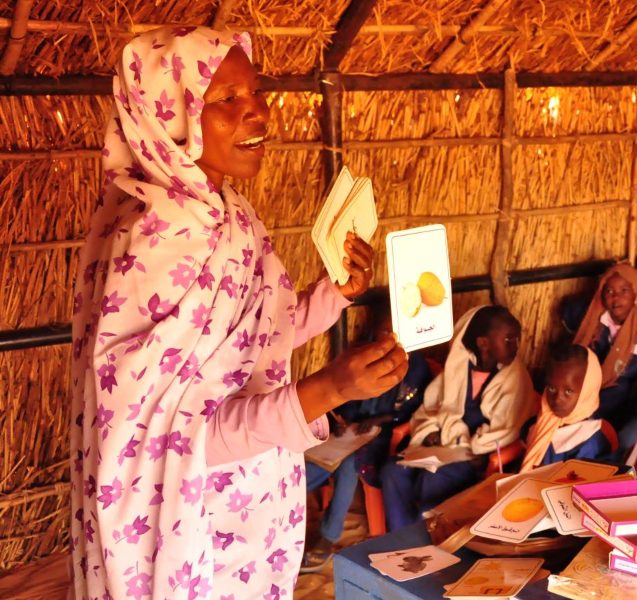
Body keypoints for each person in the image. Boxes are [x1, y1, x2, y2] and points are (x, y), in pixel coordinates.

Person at [69, 27, 408, 598]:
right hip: (183, 532)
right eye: (225, 100)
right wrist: (328, 389)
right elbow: (174, 439)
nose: (257, 113)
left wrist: (335, 295)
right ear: (170, 116)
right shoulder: (160, 241)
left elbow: (255, 342)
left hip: (246, 512)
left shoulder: (230, 218)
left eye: (255, 94)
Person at [379, 306, 536, 530]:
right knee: (392, 471)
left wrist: (479, 453)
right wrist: (432, 431)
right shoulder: (458, 368)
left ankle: (425, 546)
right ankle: (401, 538)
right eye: (509, 339)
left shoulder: (516, 379)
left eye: (516, 339)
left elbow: (509, 429)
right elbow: (432, 409)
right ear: (483, 343)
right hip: (440, 448)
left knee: (432, 478)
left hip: (475, 458)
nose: (516, 346)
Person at [302, 314, 434, 571]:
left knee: (351, 462)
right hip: (351, 431)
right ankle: (287, 525)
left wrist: (381, 418)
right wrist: (340, 418)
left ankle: (328, 538)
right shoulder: (363, 359)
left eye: (393, 334)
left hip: (384, 433)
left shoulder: (415, 367)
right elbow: (344, 396)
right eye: (382, 333)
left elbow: (415, 409)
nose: (386, 340)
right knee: (313, 461)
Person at [562, 264, 637, 437]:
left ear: (635, 294)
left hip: (628, 393)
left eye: (624, 291)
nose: (616, 298)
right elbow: (568, 309)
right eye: (609, 291)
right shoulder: (596, 321)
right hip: (595, 386)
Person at [520, 345, 614, 471]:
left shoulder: (591, 440)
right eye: (552, 388)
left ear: (588, 390)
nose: (557, 399)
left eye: (568, 391)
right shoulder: (542, 422)